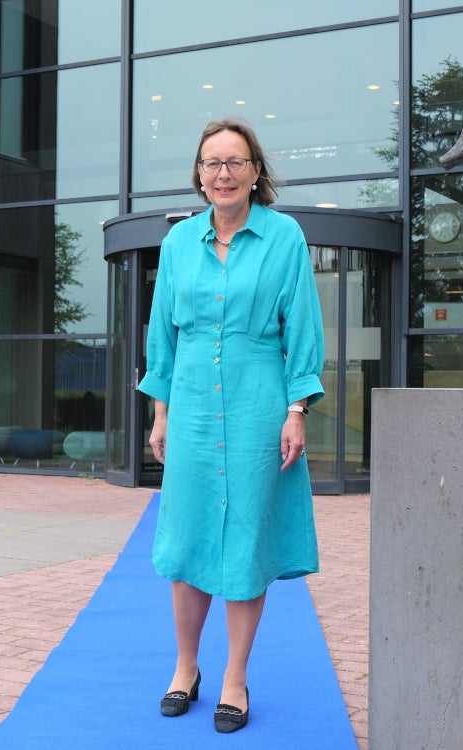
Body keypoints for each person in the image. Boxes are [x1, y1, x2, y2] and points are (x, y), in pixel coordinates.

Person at [137, 117, 325, 734]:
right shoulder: (177, 244)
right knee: (189, 537)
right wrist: (160, 412)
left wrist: (297, 410)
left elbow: (301, 328)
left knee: (245, 537)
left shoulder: (285, 237)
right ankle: (184, 668)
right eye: (212, 163)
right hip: (190, 406)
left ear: (256, 172)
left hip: (257, 407)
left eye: (235, 162)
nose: (223, 173)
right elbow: (161, 333)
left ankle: (234, 678)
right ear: (198, 175)